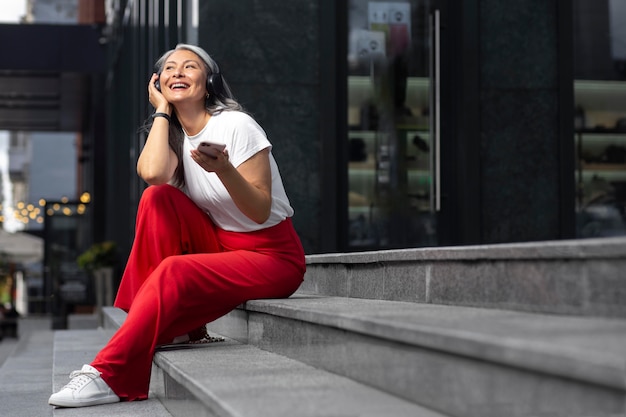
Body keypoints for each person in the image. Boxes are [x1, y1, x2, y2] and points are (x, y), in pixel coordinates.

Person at [48, 43, 306, 408]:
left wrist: (224, 170)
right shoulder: (174, 135)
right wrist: (161, 112)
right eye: (169, 68)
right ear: (158, 82)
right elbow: (152, 175)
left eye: (190, 67)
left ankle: (109, 374)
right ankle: (177, 328)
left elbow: (260, 210)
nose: (178, 73)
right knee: (157, 198)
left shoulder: (236, 125)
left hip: (273, 256)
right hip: (221, 244)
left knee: (175, 271)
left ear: (209, 81)